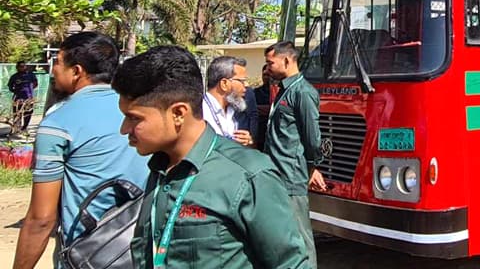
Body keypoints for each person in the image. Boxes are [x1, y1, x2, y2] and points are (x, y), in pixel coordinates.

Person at [112, 45, 310, 269]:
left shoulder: (249, 176)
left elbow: (291, 263)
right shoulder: (160, 170)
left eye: (134, 118)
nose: (124, 129)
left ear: (178, 113)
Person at [13, 32, 148, 269]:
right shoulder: (142, 112)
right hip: (141, 251)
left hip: (87, 257)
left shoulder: (58, 122)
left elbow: (41, 220)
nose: (53, 70)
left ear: (77, 71)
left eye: (57, 63)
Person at [263, 41, 325, 268]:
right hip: (276, 173)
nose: (267, 68)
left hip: (291, 175)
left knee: (301, 234)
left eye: (271, 63)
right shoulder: (283, 90)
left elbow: (312, 137)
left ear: (287, 61)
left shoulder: (303, 92)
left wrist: (313, 166)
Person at [203, 56, 253, 147]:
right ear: (224, 84)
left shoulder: (234, 111)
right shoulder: (199, 112)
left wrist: (246, 143)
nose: (246, 85)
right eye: (242, 81)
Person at [7, 61, 38, 131]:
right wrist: (17, 91)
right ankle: (17, 129)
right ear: (17, 68)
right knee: (17, 115)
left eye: (24, 66)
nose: (23, 67)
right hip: (18, 99)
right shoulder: (14, 77)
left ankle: (24, 128)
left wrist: (29, 90)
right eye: (21, 66)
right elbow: (10, 87)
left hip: (28, 99)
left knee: (28, 114)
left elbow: (35, 84)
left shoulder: (31, 75)